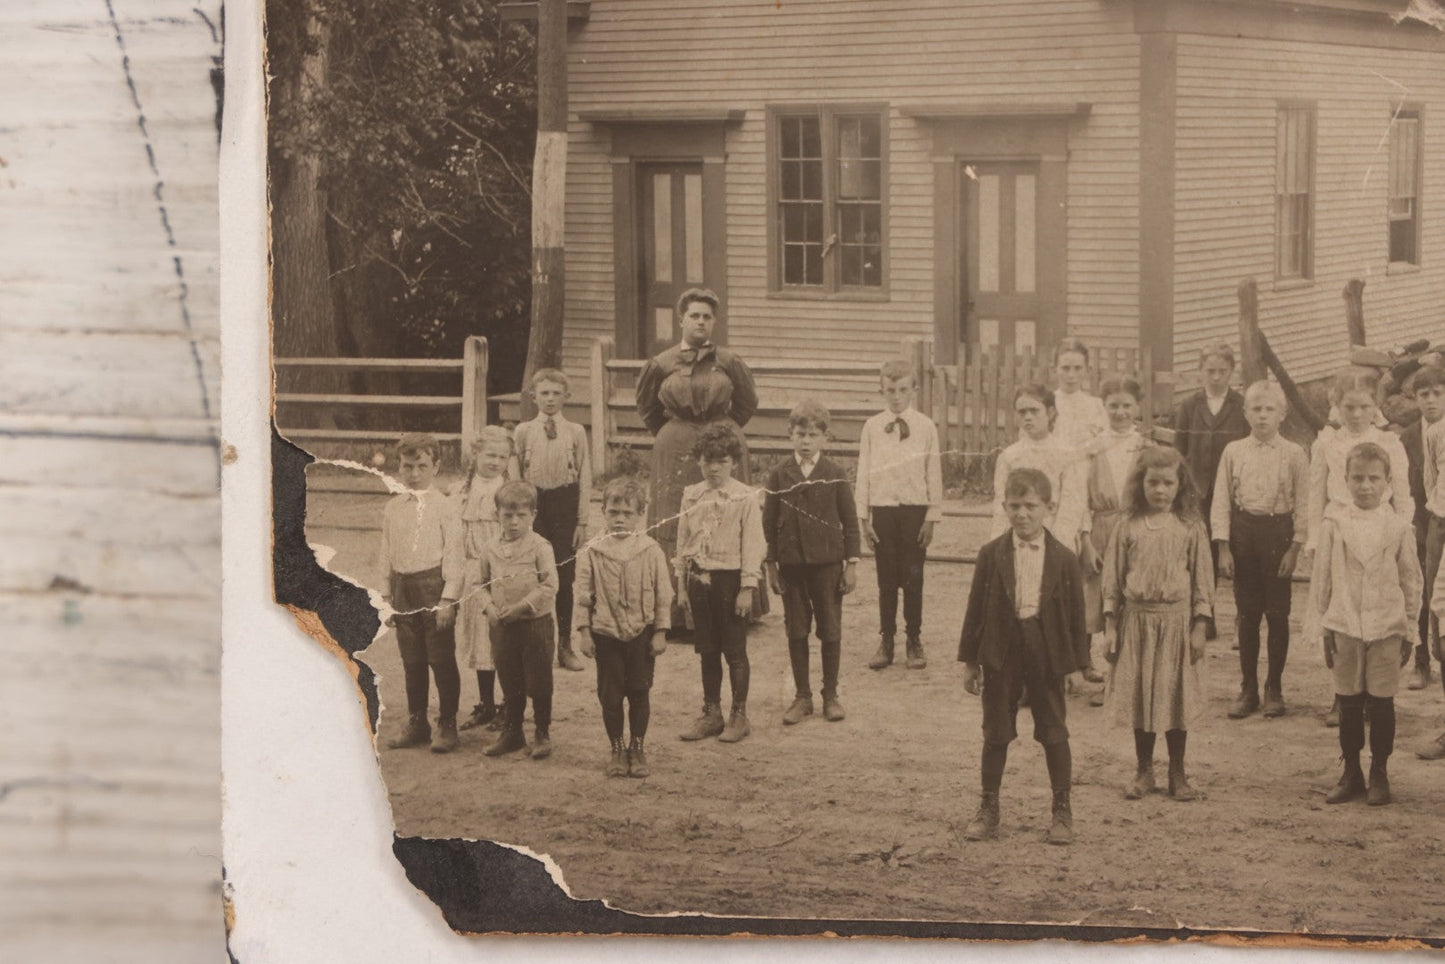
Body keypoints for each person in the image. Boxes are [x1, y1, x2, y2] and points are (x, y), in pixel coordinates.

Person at [959, 468, 1089, 845]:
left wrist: (1077, 666)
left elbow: (1076, 616)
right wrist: (970, 661)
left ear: (1048, 508)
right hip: (1002, 648)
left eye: (1031, 506)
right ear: (1004, 508)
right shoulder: (991, 554)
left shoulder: (1064, 558)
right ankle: (988, 807)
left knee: (1053, 730)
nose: (1022, 515)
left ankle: (1062, 810)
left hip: (1045, 649)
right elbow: (975, 609)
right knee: (995, 729)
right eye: (1014, 506)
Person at [635, 288, 761, 628]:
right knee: (678, 521)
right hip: (676, 454)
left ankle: (736, 604)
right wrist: (675, 434)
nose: (701, 322)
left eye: (707, 316)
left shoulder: (730, 362)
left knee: (729, 514)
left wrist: (723, 431)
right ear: (681, 319)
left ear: (714, 322)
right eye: (694, 315)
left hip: (722, 446)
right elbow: (647, 410)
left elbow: (748, 403)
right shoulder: (661, 364)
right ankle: (676, 614)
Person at [1312, 442, 1421, 806]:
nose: (1365, 486)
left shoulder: (1398, 527)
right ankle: (1352, 772)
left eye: (1374, 478)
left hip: (1387, 626)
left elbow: (1411, 581)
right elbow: (1323, 578)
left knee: (1381, 703)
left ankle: (1379, 772)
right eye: (1357, 478)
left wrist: (1411, 629)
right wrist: (1324, 626)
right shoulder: (1335, 524)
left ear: (1388, 481)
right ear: (1345, 481)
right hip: (1345, 625)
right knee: (1348, 702)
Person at [1103, 446, 1214, 801]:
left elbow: (1202, 581)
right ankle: (1144, 770)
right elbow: (1112, 580)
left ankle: (1178, 773)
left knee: (1174, 697)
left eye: (1168, 483)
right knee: (1141, 698)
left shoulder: (1190, 526)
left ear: (1180, 485)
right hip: (1136, 622)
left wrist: (1199, 625)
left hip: (1176, 623)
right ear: (1141, 484)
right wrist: (1110, 627)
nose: (1161, 490)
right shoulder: (1127, 525)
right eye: (1153, 482)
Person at [1305, 367, 1412, 726]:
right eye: (1348, 407)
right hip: (1339, 527)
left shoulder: (1390, 444)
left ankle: (1374, 695)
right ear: (1337, 405)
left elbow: (1405, 497)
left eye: (1363, 407)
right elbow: (1315, 492)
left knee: (1376, 608)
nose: (1355, 414)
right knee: (1341, 610)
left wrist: (1402, 533)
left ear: (1375, 406)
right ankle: (1343, 695)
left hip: (1380, 529)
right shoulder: (1327, 443)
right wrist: (1314, 539)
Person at [1212, 380, 1309, 719]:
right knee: (1248, 614)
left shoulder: (1294, 453)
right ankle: (1248, 688)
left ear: (1282, 415)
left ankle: (1274, 688)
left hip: (1278, 534)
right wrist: (1224, 548)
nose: (1263, 415)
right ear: (1245, 412)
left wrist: (1295, 548)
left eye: (1270, 409)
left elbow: (1304, 504)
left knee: (1278, 614)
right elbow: (1221, 500)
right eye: (1256, 409)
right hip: (1244, 533)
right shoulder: (1234, 452)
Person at [763, 400, 860, 725]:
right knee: (797, 629)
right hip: (791, 566)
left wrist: (852, 563)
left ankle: (830, 694)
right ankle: (802, 696)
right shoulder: (779, 474)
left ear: (825, 438)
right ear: (790, 434)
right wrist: (772, 565)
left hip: (828, 565)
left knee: (830, 629)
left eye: (813, 435)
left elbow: (849, 520)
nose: (806, 441)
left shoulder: (834, 473)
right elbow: (769, 522)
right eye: (800, 434)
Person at [574, 477, 672, 778]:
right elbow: (581, 594)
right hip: (606, 634)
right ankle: (617, 748)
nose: (619, 519)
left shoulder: (650, 549)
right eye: (613, 511)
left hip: (640, 634)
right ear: (602, 511)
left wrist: (659, 631)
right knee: (611, 696)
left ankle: (637, 746)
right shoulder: (591, 550)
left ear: (639, 514)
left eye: (627, 513)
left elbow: (663, 594)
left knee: (639, 692)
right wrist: (584, 632)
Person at [674, 424, 766, 744]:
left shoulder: (744, 497)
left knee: (734, 650)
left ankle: (738, 715)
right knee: (707, 651)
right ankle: (711, 712)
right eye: (708, 460)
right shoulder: (691, 494)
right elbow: (682, 542)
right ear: (698, 461)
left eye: (722, 461)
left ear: (734, 463)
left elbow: (753, 545)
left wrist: (746, 588)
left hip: (730, 582)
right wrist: (683, 587)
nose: (714, 468)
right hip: (699, 580)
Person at [378, 433, 464, 754]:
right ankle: (417, 722)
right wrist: (385, 595)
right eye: (408, 466)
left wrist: (448, 599)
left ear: (436, 466)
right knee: (412, 661)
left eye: (422, 466)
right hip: (403, 591)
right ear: (398, 467)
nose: (414, 474)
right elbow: (386, 550)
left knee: (440, 659)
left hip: (434, 590)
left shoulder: (445, 507)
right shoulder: (393, 507)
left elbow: (455, 554)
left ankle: (448, 723)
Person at [856, 359, 944, 671]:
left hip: (914, 511)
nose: (896, 397)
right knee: (886, 579)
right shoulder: (872, 427)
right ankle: (887, 639)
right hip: (882, 511)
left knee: (913, 577)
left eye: (903, 390)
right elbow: (863, 472)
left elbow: (933, 472)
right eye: (890, 390)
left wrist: (931, 517)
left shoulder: (925, 427)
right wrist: (863, 519)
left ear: (914, 390)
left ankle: (914, 639)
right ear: (882, 390)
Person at [1077, 377, 1152, 700]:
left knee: (1128, 601)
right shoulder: (1092, 448)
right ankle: (1086, 666)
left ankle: (1118, 676)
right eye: (1113, 406)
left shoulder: (1146, 448)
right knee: (1096, 599)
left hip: (1136, 532)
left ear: (1137, 408)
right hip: (1102, 529)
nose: (1120, 412)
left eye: (1126, 406)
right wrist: (1086, 541)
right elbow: (1079, 498)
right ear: (1104, 408)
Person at [513, 368, 590, 672]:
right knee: (533, 574)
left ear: (566, 397)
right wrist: (521, 515)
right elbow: (516, 476)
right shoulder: (523, 432)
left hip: (565, 505)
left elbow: (584, 476)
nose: (550, 399)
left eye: (557, 393)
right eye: (544, 393)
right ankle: (536, 646)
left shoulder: (576, 431)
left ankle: (566, 646)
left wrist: (582, 521)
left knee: (564, 577)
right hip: (534, 506)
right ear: (534, 397)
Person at [476, 481, 560, 760]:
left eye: (521, 516)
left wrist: (521, 607)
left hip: (535, 624)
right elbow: (479, 584)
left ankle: (542, 732)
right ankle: (513, 732)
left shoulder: (540, 546)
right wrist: (489, 608)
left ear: (533, 515)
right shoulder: (489, 548)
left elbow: (549, 586)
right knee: (509, 679)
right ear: (497, 514)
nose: (513, 522)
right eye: (507, 515)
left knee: (538, 680)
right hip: (502, 625)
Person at [1173, 342, 1249, 640]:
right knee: (1202, 556)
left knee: (1236, 555)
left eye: (1222, 371)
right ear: (1200, 372)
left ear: (1232, 372)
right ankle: (1206, 617)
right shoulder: (1190, 407)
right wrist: (1182, 489)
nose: (1216, 377)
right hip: (1199, 491)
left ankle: (1244, 621)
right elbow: (1179, 451)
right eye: (1210, 371)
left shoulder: (1240, 405)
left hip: (1232, 491)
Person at [454, 426, 512, 732]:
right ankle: (486, 704)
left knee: (501, 640)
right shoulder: (462, 489)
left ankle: (508, 704)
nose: (495, 461)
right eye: (490, 454)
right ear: (475, 454)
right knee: (480, 642)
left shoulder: (508, 492)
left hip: (501, 571)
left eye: (502, 456)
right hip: (471, 573)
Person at [988, 384, 1086, 548]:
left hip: (1055, 534)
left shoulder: (1068, 454)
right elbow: (1001, 504)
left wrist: (1057, 544)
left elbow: (1072, 506)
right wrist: (997, 543)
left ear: (1050, 412)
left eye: (1034, 411)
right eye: (1022, 412)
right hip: (1018, 535)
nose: (1028, 417)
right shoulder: (1008, 456)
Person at [1410, 365, 1445, 695]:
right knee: (1430, 597)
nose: (1432, 401)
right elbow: (1429, 483)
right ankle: (1424, 661)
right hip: (1431, 523)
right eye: (1425, 395)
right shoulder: (1424, 434)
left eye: (1439, 393)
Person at [1050, 337, 1109, 452]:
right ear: (1054, 369)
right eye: (1065, 368)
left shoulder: (1096, 406)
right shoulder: (1045, 403)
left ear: (1087, 370)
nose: (1071, 375)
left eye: (1078, 368)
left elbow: (1104, 444)